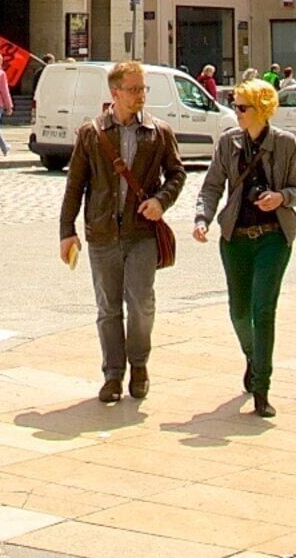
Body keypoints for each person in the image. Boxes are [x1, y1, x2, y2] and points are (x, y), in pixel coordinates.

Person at [57, 59, 187, 406]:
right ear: (115, 93)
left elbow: (177, 174)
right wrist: (67, 231)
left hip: (142, 233)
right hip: (102, 233)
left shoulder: (158, 132)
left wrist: (161, 201)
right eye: (133, 89)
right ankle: (113, 375)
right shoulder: (91, 133)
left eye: (143, 88)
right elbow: (75, 185)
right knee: (108, 307)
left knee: (141, 303)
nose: (140, 95)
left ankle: (139, 366)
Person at [192, 75, 296, 416]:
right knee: (239, 312)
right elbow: (212, 186)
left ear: (261, 109)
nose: (237, 112)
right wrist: (202, 218)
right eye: (235, 106)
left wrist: (281, 197)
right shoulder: (229, 143)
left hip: (273, 237)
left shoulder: (285, 144)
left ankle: (261, 388)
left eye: (242, 108)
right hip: (236, 239)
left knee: (263, 310)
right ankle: (252, 357)